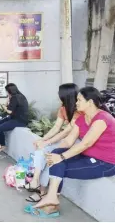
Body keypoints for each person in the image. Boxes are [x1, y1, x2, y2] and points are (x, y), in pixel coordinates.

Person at [26, 87, 115, 218]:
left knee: (59, 165)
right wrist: (52, 155)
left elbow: (86, 143)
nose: (76, 103)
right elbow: (68, 142)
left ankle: (51, 203)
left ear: (90, 102)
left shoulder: (102, 118)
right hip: (87, 157)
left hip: (106, 163)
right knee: (56, 156)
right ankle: (51, 200)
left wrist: (60, 157)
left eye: (79, 100)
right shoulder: (81, 119)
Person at [25, 83, 80, 203]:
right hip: (66, 139)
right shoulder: (63, 108)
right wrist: (43, 140)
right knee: (41, 150)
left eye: (59, 94)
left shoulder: (79, 111)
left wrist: (47, 143)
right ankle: (36, 182)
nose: (58, 96)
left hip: (77, 141)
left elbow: (66, 131)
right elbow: (56, 127)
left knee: (49, 155)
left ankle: (40, 189)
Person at [0, 83, 29, 152]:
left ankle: (1, 145)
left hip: (19, 121)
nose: (6, 92)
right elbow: (9, 107)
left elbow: (9, 111)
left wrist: (0, 103)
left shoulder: (15, 97)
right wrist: (8, 99)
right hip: (13, 117)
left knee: (0, 128)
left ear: (9, 91)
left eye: (6, 91)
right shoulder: (19, 96)